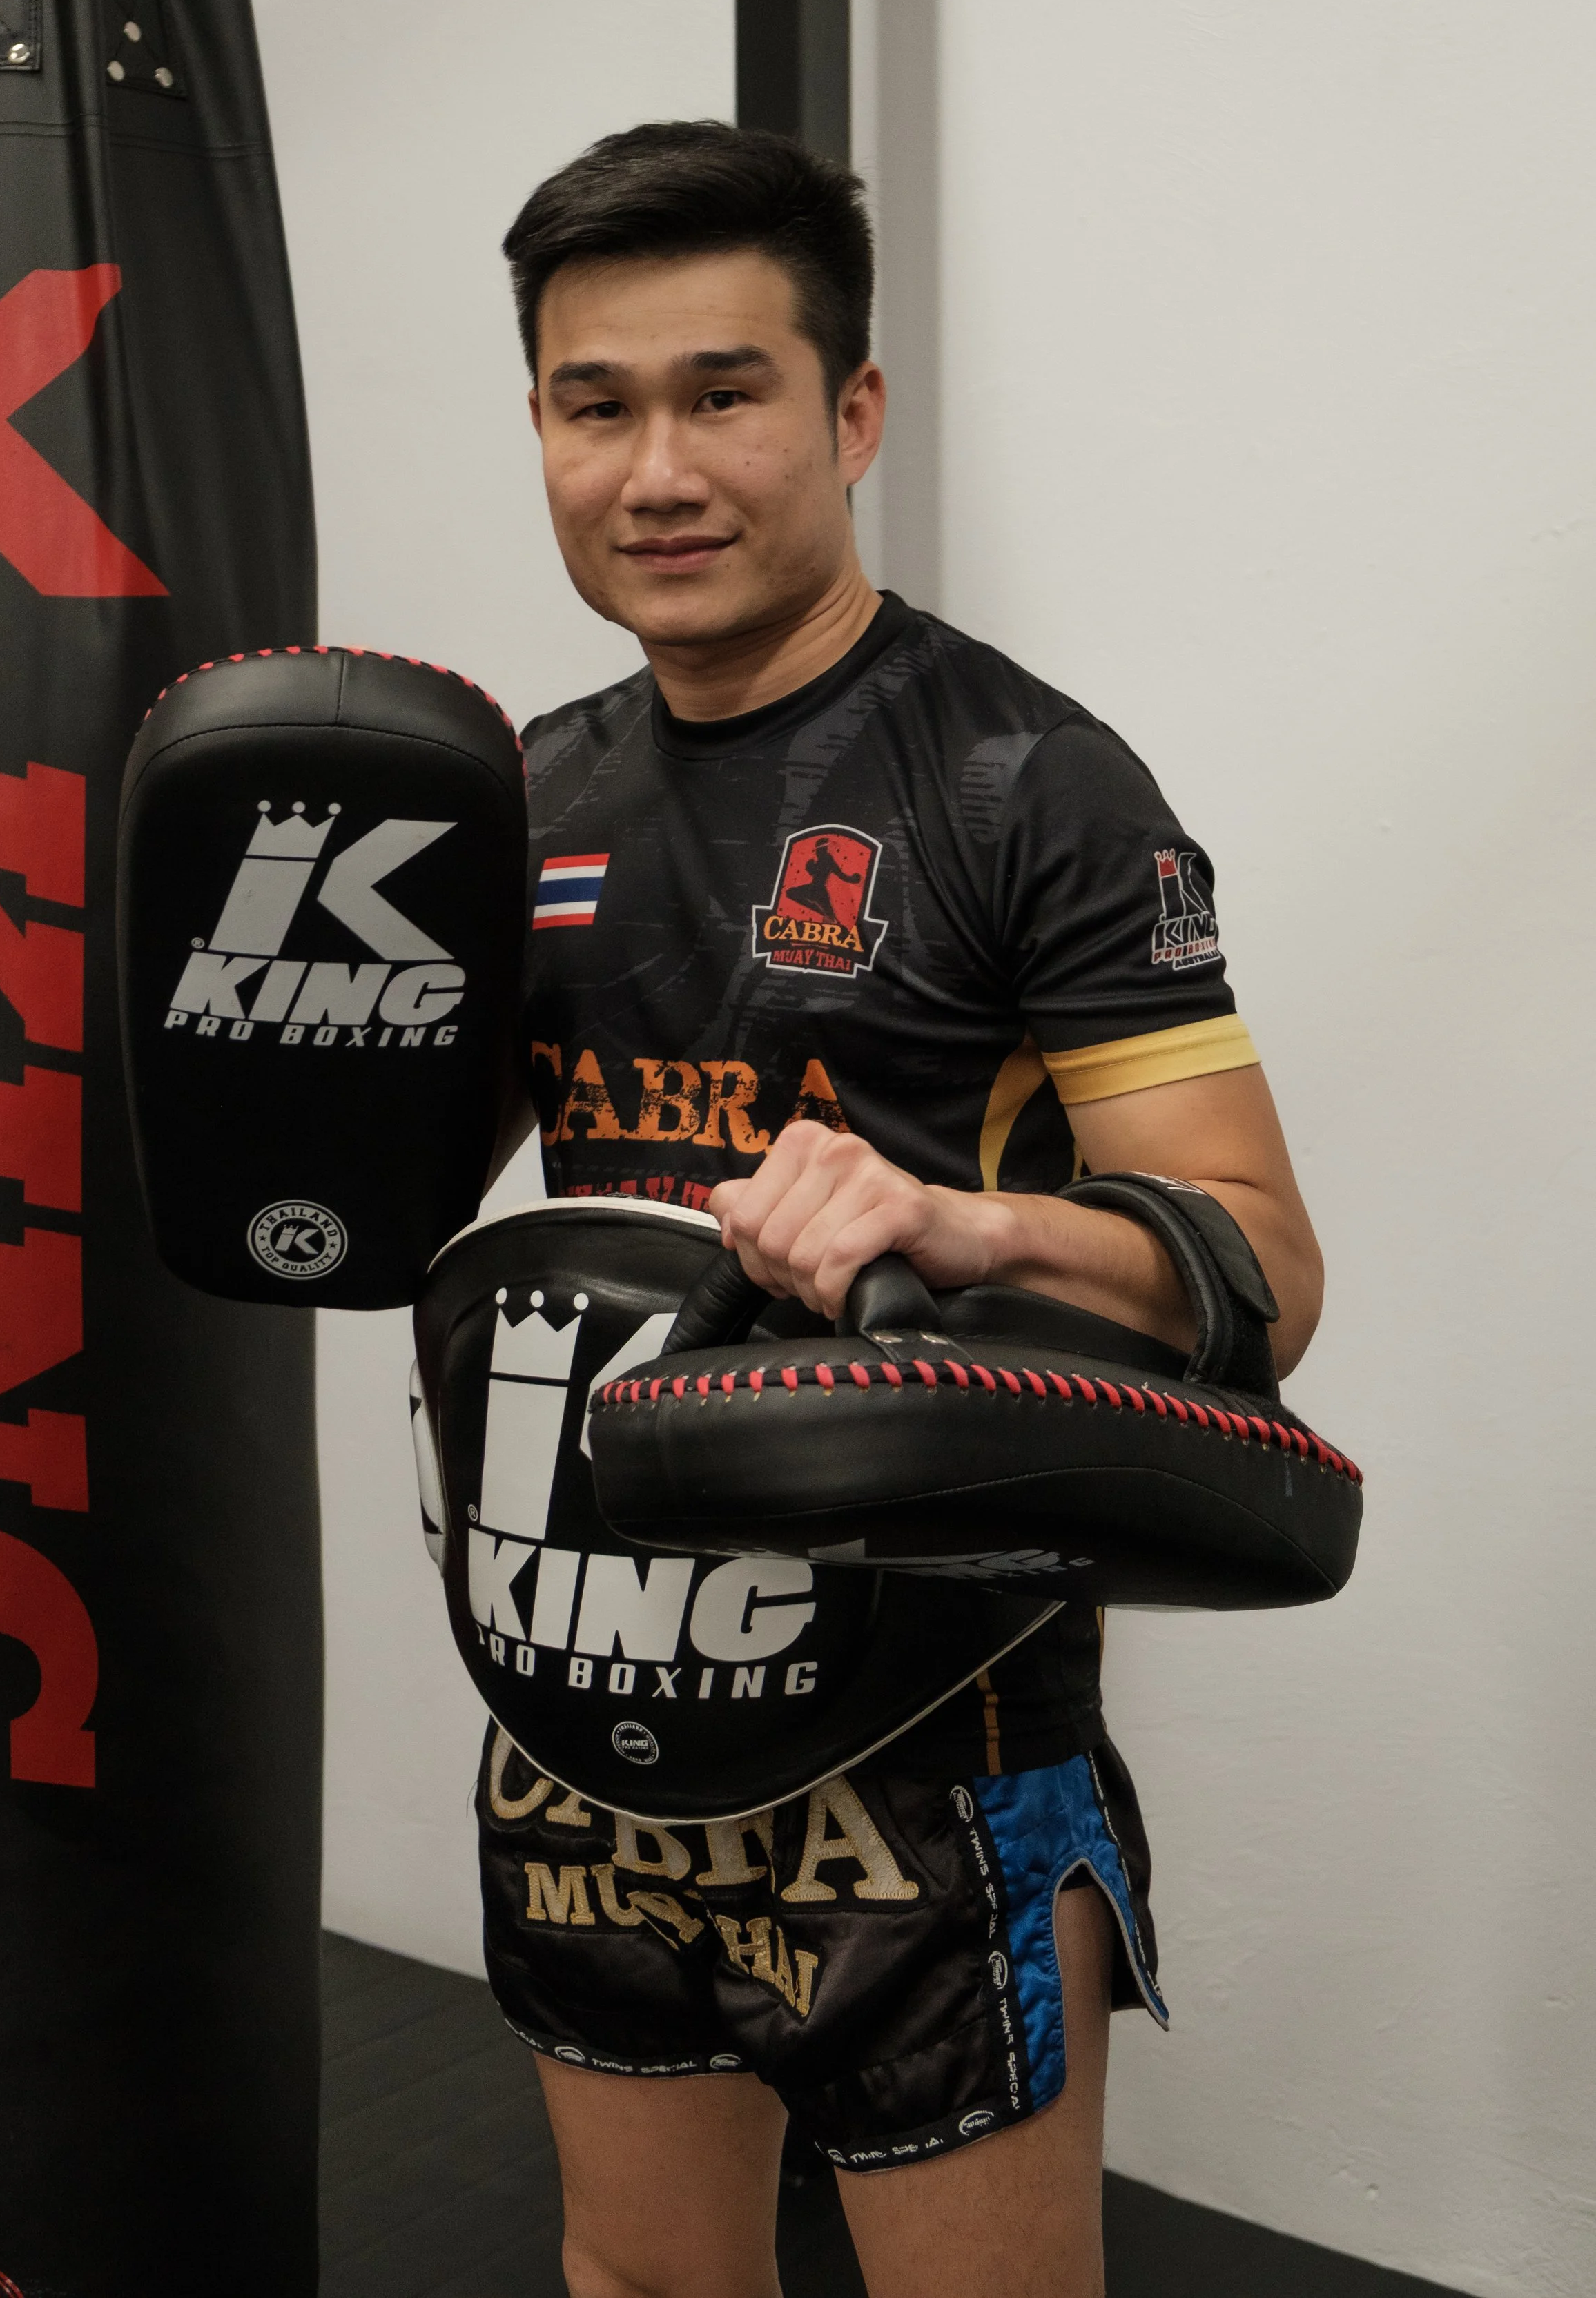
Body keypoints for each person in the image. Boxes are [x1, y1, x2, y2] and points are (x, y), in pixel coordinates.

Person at [483, 121, 1323, 2298]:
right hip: (589, 1679)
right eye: (594, 405)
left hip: (928, 1734)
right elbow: (373, 1209)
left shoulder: (1024, 784)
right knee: (638, 2279)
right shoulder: (525, 792)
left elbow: (1260, 1263)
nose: (656, 469)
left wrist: (972, 1228)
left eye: (724, 393)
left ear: (851, 411)